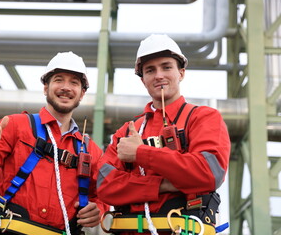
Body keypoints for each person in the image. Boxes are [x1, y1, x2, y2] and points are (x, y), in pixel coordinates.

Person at [0, 51, 108, 235]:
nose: (66, 87)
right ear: (46, 88)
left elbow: (105, 192)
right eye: (59, 80)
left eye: (74, 82)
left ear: (82, 93)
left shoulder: (90, 150)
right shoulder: (15, 126)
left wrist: (99, 208)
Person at [97, 34, 230, 235]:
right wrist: (164, 185)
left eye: (166, 67)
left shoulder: (203, 118)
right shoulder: (126, 132)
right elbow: (105, 186)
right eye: (150, 70)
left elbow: (209, 173)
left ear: (181, 73)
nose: (159, 75)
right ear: (143, 80)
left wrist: (141, 153)